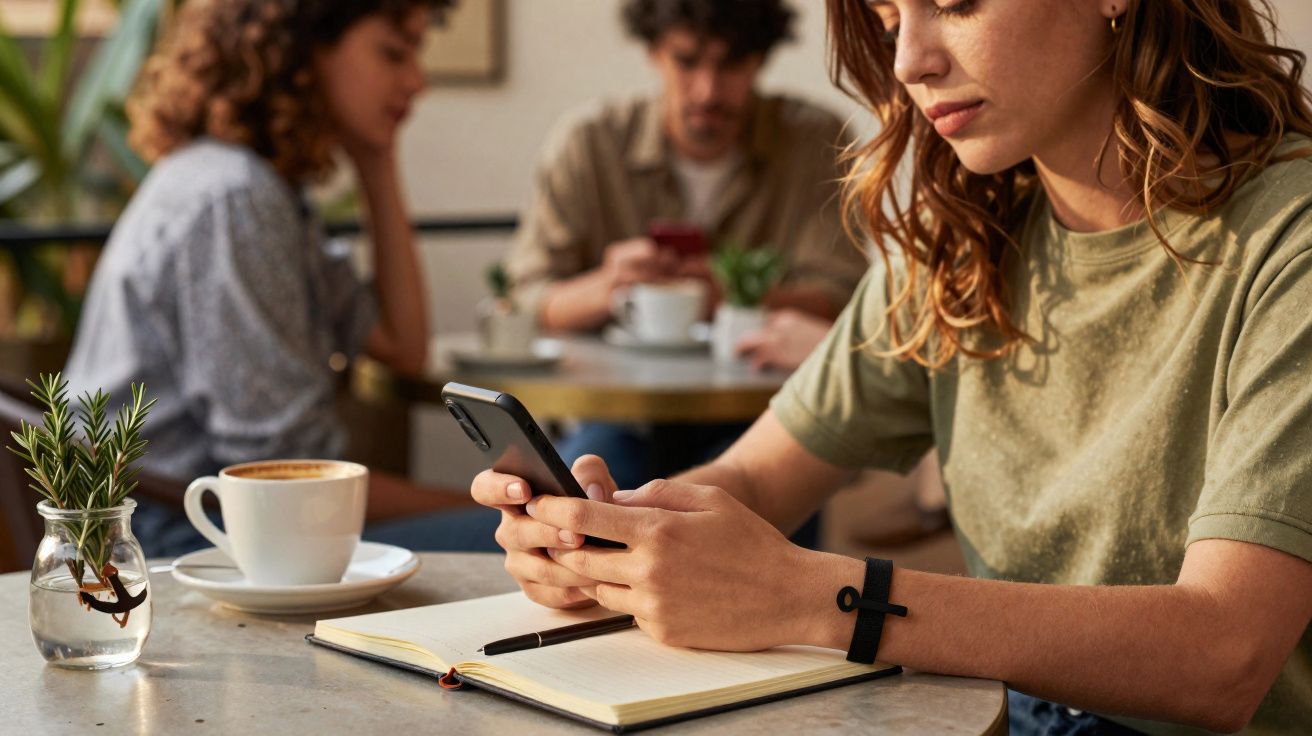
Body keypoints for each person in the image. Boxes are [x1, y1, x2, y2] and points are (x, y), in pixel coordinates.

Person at [473, 0, 1312, 733]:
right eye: (886, 19)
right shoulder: (959, 239)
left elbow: (1224, 653)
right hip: (991, 716)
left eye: (956, 1)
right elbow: (756, 480)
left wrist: (814, 595)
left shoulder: (1290, 241)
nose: (911, 60)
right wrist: (613, 543)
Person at [65, 0, 473, 557]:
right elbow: (290, 479)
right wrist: (484, 504)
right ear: (302, 51)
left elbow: (402, 347)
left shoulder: (264, 188)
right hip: (180, 538)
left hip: (230, 520)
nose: (417, 80)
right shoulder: (236, 201)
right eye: (393, 53)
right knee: (522, 539)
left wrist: (378, 159)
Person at [503, 0, 869, 498]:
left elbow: (847, 299)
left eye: (732, 64)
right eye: (687, 60)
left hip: (763, 419)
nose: (708, 90)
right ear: (654, 52)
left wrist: (728, 294)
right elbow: (524, 300)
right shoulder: (591, 144)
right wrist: (608, 287)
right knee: (586, 500)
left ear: (760, 60)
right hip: (620, 418)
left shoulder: (814, 142)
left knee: (778, 523)